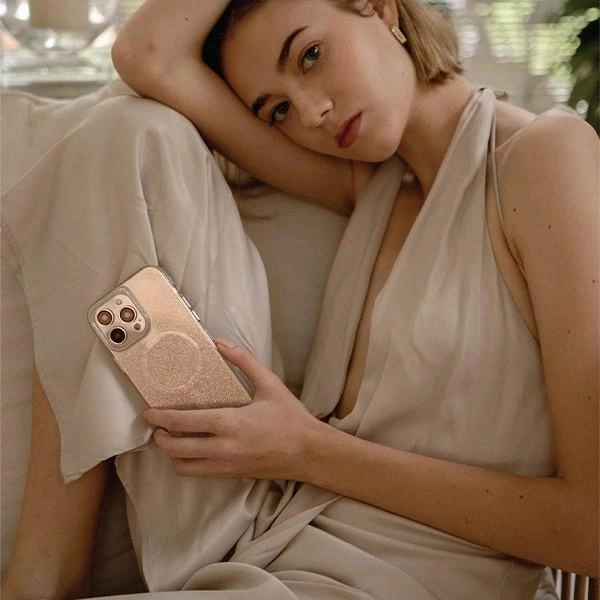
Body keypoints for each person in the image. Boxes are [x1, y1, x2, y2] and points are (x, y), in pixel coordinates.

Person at [1, 0, 598, 598]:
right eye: (278, 109)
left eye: (310, 55)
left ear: (380, 8)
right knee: (125, 134)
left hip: (394, 580)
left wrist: (306, 450)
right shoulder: (372, 186)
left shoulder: (544, 154)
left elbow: (592, 527)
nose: (313, 114)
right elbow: (147, 56)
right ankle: (44, 570)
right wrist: (292, 454)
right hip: (266, 534)